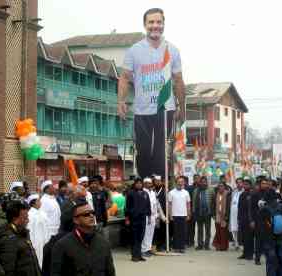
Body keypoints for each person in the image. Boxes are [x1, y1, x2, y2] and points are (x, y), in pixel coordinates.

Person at [118, 7, 185, 179]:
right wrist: (121, 102)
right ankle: (146, 186)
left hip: (165, 108)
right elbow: (124, 77)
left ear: (163, 24)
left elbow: (178, 80)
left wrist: (181, 107)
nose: (155, 26)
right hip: (142, 110)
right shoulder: (134, 50)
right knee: (144, 152)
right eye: (151, 22)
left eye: (159, 22)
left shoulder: (172, 50)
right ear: (145, 25)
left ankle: (162, 186)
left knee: (161, 154)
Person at [51, 198, 116, 276]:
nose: (91, 216)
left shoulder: (103, 242)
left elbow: (110, 271)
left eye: (93, 213)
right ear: (76, 220)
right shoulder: (62, 245)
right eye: (86, 214)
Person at [0, 200, 41, 276]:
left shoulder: (23, 233)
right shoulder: (8, 240)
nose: (28, 221)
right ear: (15, 219)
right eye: (25, 218)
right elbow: (8, 270)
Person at [125, 178, 151, 262]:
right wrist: (127, 218)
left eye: (140, 183)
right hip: (133, 218)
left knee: (140, 237)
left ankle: (139, 255)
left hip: (143, 218)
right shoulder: (130, 193)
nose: (139, 185)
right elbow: (127, 207)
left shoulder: (145, 193)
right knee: (134, 237)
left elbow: (148, 205)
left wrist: (149, 216)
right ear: (135, 184)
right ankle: (134, 256)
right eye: (137, 183)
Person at [27, 194, 51, 269]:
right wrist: (32, 245)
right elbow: (30, 230)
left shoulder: (42, 213)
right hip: (36, 243)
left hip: (45, 241)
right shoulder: (30, 215)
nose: (40, 202)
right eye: (38, 201)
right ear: (33, 203)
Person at [168, 176, 191, 253]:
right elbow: (170, 205)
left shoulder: (186, 192)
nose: (180, 183)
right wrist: (170, 215)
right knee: (175, 232)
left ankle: (182, 247)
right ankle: (176, 247)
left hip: (183, 215)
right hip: (174, 215)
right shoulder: (171, 193)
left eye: (182, 181)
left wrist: (188, 214)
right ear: (176, 182)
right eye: (179, 181)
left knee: (183, 232)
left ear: (184, 183)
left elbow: (188, 204)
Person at [192, 176, 214, 250]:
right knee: (200, 230)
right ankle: (200, 244)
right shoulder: (196, 190)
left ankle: (207, 245)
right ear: (200, 182)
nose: (203, 183)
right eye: (202, 182)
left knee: (208, 230)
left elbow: (213, 201)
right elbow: (194, 202)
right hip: (199, 213)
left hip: (208, 213)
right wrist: (194, 212)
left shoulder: (211, 190)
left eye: (205, 181)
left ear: (206, 182)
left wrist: (212, 212)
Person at [237, 178, 254, 261]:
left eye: (247, 184)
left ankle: (250, 254)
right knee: (243, 237)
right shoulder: (242, 194)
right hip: (242, 219)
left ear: (250, 185)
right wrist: (239, 218)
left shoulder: (253, 194)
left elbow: (253, 208)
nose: (245, 186)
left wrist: (252, 220)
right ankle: (244, 253)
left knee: (249, 237)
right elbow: (239, 207)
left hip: (250, 220)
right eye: (244, 184)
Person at [141, 178, 158, 257]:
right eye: (147, 183)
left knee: (151, 233)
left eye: (150, 183)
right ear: (144, 184)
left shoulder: (153, 193)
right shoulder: (143, 192)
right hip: (146, 215)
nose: (149, 184)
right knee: (145, 233)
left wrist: (156, 215)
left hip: (153, 216)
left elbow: (155, 205)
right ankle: (143, 250)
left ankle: (148, 249)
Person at [213, 182, 231, 251]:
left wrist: (227, 215)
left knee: (224, 231)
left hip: (224, 215)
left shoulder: (228, 194)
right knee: (218, 231)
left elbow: (229, 206)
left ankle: (224, 246)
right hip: (217, 214)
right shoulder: (216, 194)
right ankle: (218, 245)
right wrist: (214, 214)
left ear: (224, 187)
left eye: (222, 186)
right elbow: (213, 205)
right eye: (219, 186)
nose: (220, 187)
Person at [229, 178, 244, 250]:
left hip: (241, 213)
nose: (239, 184)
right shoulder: (234, 192)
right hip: (233, 213)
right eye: (237, 183)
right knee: (234, 229)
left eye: (240, 182)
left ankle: (241, 243)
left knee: (240, 229)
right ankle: (236, 243)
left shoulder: (244, 192)